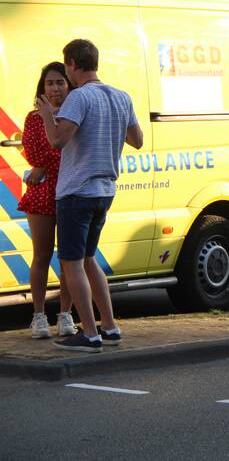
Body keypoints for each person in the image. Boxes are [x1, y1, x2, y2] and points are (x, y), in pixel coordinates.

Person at [35, 39, 143, 352]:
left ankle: (90, 334)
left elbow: (57, 141)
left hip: (76, 190)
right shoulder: (121, 96)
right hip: (105, 190)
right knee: (88, 259)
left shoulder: (79, 97)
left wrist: (45, 114)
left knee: (71, 263)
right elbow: (136, 139)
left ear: (71, 65)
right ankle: (109, 327)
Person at [20, 62, 76, 339]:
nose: (55, 88)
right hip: (42, 192)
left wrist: (44, 165)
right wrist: (41, 165)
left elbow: (72, 151)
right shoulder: (34, 118)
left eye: (60, 82)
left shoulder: (77, 112)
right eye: (50, 83)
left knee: (70, 258)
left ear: (70, 85)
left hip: (71, 189)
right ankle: (39, 316)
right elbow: (31, 150)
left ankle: (66, 315)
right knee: (41, 255)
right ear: (43, 88)